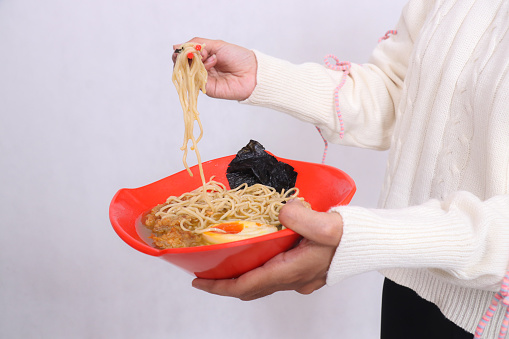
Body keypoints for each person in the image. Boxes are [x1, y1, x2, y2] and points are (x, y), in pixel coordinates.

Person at [173, 0, 509, 338]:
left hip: (492, 314)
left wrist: (357, 239)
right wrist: (262, 76)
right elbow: (398, 93)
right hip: (408, 278)